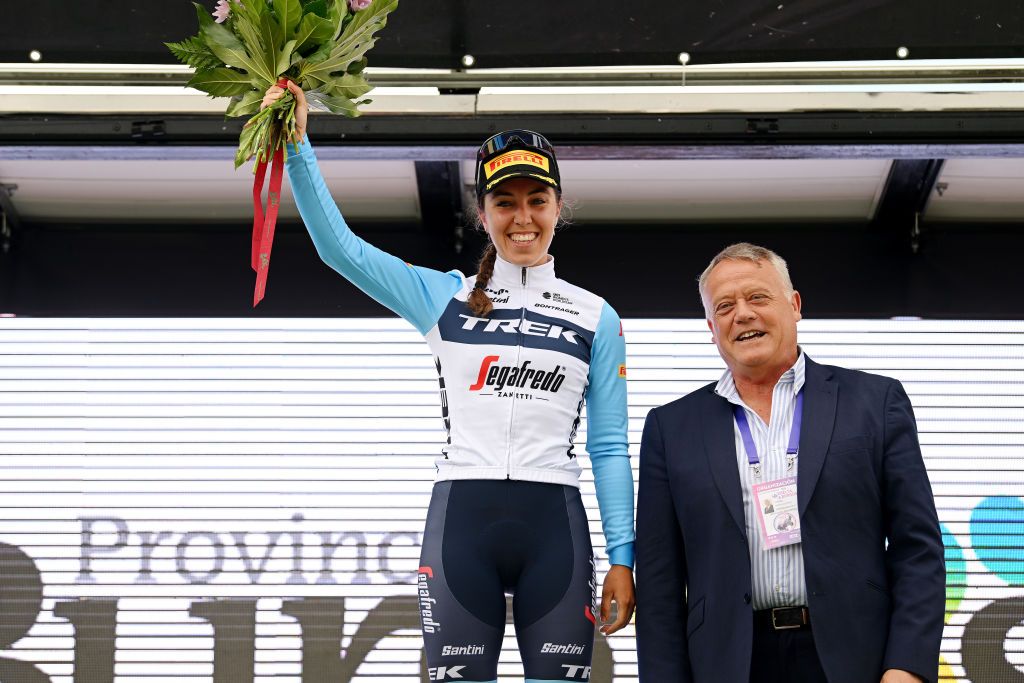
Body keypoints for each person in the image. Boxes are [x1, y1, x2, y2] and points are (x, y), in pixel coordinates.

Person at [263, 81, 635, 683]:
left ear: (558, 208)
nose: (522, 218)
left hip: (557, 528)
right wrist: (299, 147)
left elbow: (610, 446)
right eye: (505, 202)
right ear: (482, 213)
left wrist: (624, 556)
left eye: (537, 200)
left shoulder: (598, 316)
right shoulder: (445, 297)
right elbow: (340, 251)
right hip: (463, 522)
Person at [635, 243, 944, 683]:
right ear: (711, 328)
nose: (742, 314)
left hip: (857, 659)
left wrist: (908, 667)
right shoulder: (671, 428)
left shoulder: (875, 403)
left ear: (794, 305)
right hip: (728, 664)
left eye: (758, 297)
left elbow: (918, 550)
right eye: (724, 306)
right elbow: (659, 584)